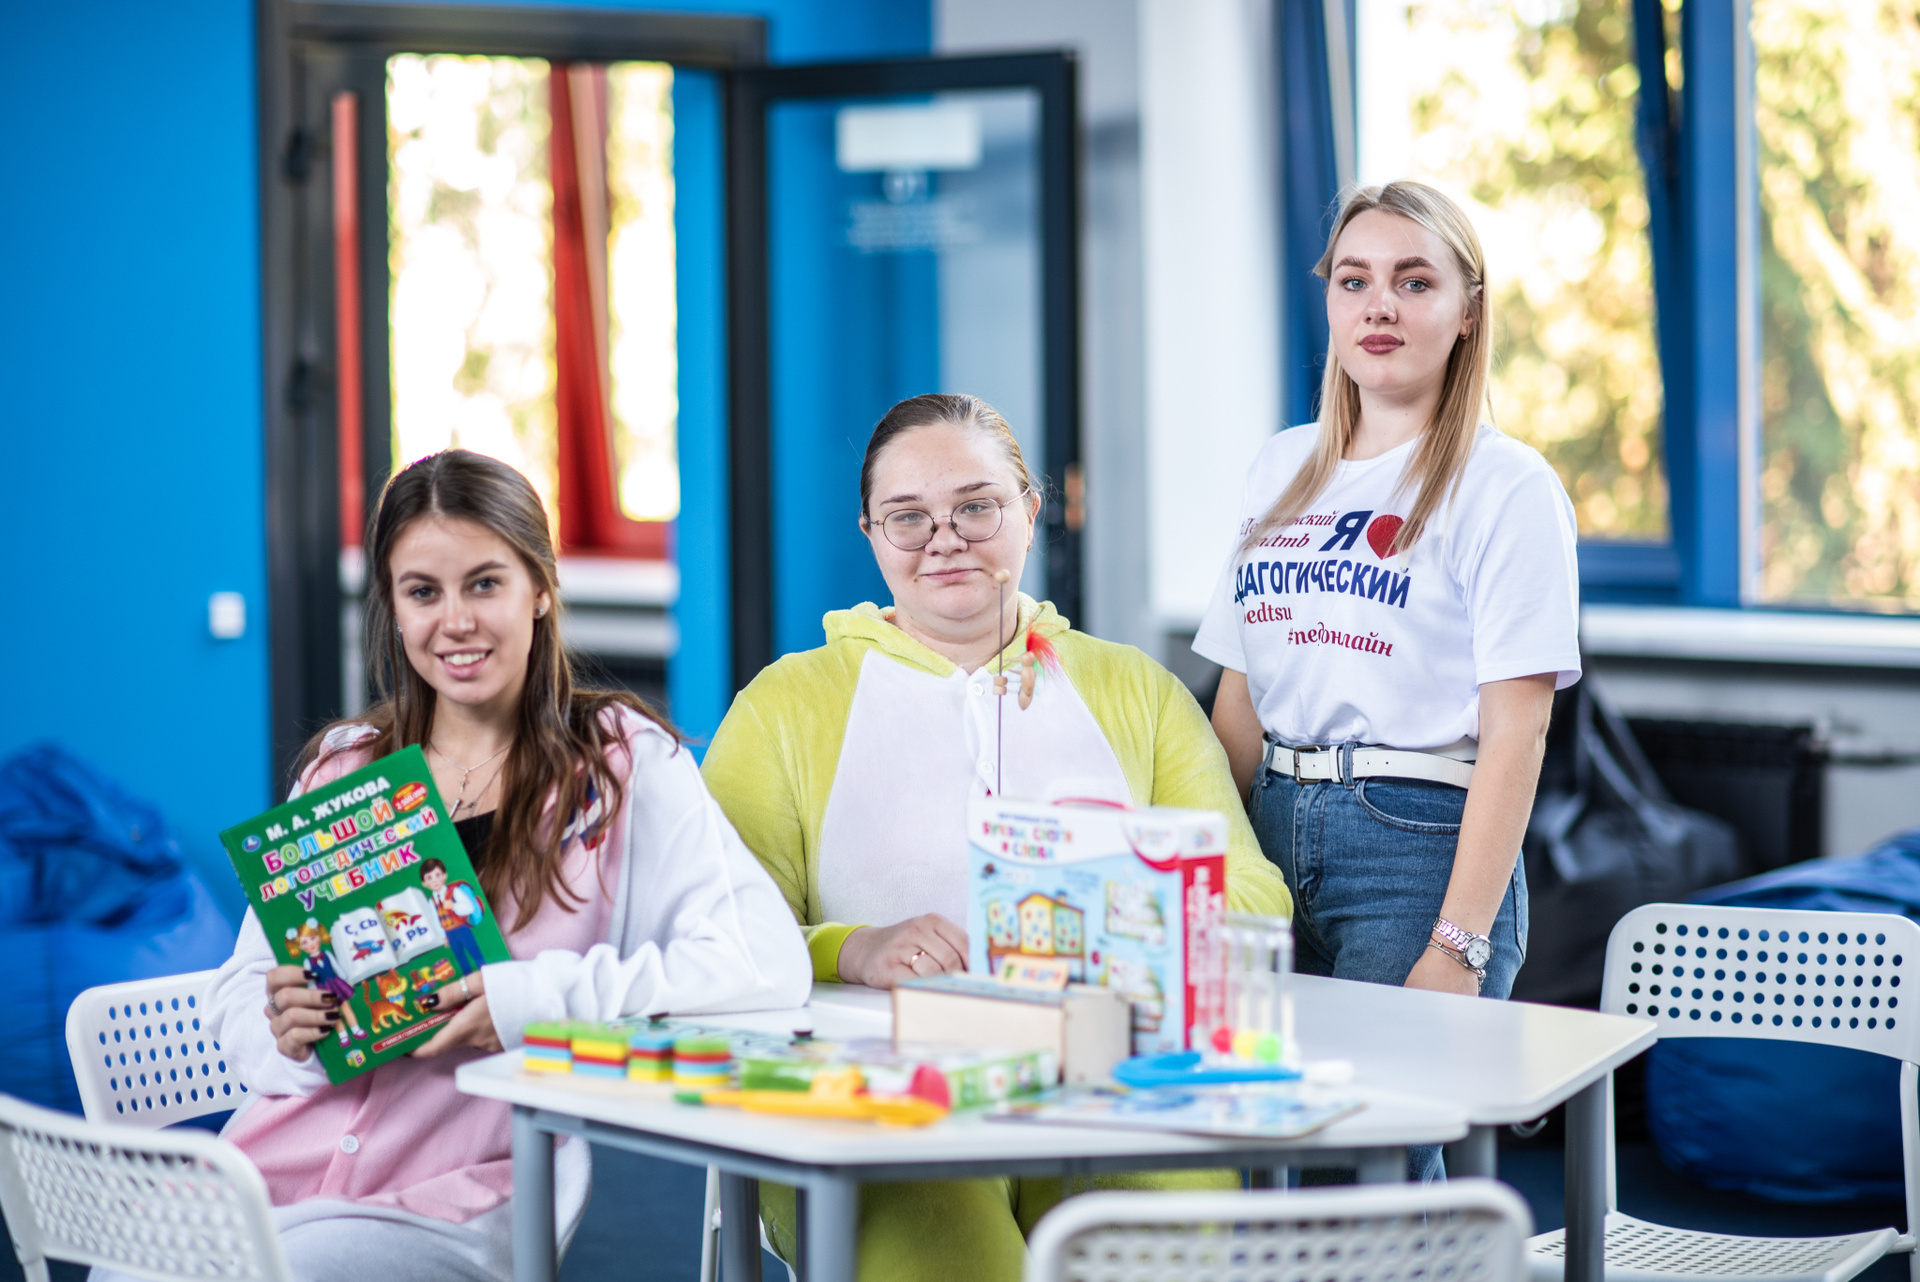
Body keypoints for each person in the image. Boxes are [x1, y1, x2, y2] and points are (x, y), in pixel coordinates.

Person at [95, 450, 810, 1282]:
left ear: (539, 589)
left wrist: (525, 1001)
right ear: (394, 608)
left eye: (484, 584)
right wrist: (284, 1031)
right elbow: (242, 989)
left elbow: (762, 962)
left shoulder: (622, 763)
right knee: (126, 1272)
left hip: (460, 1194)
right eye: (423, 592)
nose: (455, 621)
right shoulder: (344, 769)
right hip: (268, 1172)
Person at [702, 392, 1292, 1281]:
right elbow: (716, 934)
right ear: (870, 534)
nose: (944, 539)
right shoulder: (784, 706)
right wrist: (851, 948)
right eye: (908, 517)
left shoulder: (1137, 689)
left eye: (976, 507)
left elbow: (1252, 897)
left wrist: (1114, 909)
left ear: (1030, 510)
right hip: (875, 1102)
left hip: (1117, 1089)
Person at [1197, 182, 1580, 1094]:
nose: (1379, 306)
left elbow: (1519, 733)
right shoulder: (1282, 464)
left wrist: (1459, 943)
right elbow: (1240, 698)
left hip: (1415, 845)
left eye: (1414, 282)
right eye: (1354, 280)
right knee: (1247, 1124)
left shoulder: (1507, 485)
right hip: (1265, 832)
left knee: (1370, 1140)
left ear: (1467, 311)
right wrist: (1198, 875)